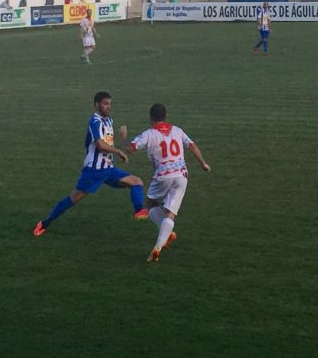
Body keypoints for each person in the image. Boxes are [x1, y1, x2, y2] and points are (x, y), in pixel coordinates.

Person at [33, 91, 148, 237]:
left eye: (110, 104)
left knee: (136, 182)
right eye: (105, 104)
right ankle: (44, 224)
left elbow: (107, 143)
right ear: (96, 105)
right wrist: (118, 151)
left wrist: (123, 138)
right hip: (94, 171)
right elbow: (100, 145)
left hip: (108, 169)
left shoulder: (109, 121)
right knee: (73, 199)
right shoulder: (95, 121)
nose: (108, 107)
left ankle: (139, 211)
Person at [121, 103, 210, 262]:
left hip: (163, 174)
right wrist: (203, 163)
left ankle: (162, 240)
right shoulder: (177, 130)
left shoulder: (149, 134)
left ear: (151, 118)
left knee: (150, 202)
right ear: (165, 116)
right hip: (182, 175)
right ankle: (160, 242)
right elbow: (192, 145)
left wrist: (123, 137)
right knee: (171, 213)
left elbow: (130, 149)